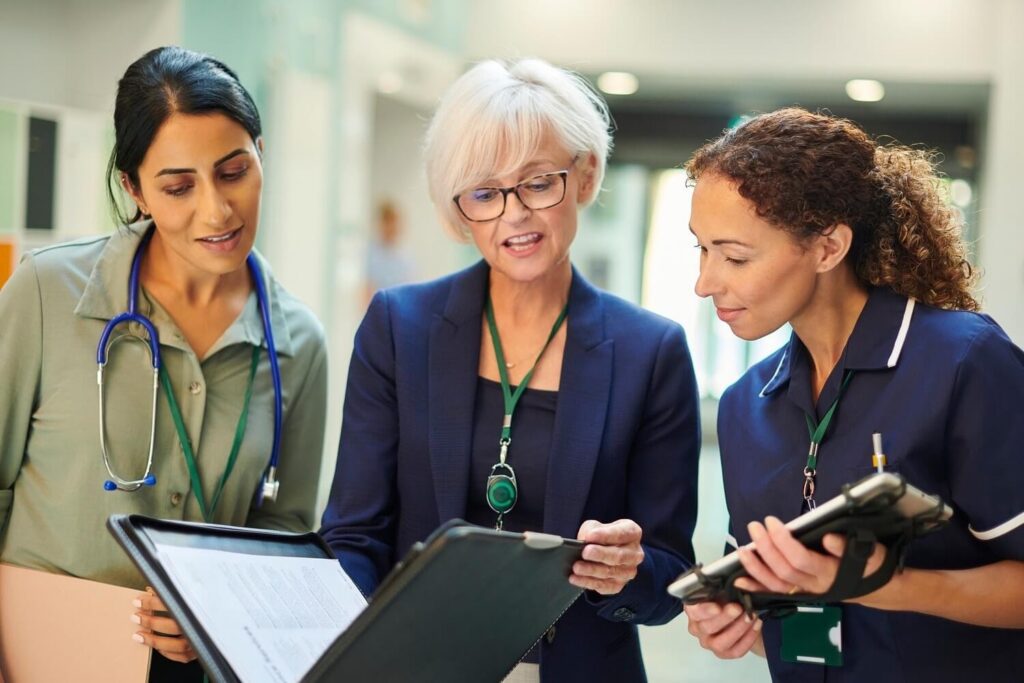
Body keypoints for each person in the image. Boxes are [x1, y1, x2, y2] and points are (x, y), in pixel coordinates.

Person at [320, 58, 701, 682]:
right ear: (459, 208)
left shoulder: (650, 351)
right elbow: (353, 536)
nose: (514, 213)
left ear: (584, 175)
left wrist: (626, 572)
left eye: (538, 182)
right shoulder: (400, 327)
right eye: (485, 192)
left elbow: (667, 580)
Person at [0, 46, 328, 679]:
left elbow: (285, 529)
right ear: (135, 189)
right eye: (178, 186)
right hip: (43, 660)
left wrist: (214, 609)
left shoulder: (298, 344)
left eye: (234, 171)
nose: (217, 210)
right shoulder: (46, 293)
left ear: (262, 153)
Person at [683, 107, 1024, 680]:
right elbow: (795, 625)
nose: (705, 282)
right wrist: (741, 621)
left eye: (735, 256)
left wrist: (890, 587)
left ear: (827, 248)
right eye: (701, 248)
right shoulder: (747, 405)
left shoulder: (962, 363)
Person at [362, 199, 416, 306]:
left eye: (395, 223)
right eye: (389, 223)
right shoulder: (370, 254)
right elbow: (366, 292)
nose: (393, 228)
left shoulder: (405, 258)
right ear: (381, 224)